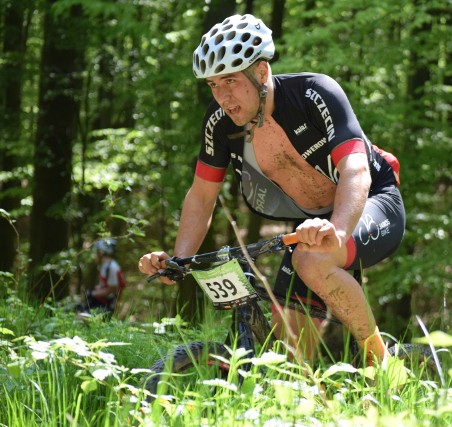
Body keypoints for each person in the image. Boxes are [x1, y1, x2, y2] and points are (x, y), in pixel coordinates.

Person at [138, 14, 405, 365]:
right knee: (288, 356)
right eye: (213, 85)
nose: (222, 96)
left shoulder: (314, 94)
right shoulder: (220, 124)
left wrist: (338, 231)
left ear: (262, 73)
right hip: (310, 224)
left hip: (370, 200)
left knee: (311, 258)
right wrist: (178, 260)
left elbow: (354, 169)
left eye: (231, 81)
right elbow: (202, 195)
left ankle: (383, 364)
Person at [80, 238, 126, 315]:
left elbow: (111, 289)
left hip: (106, 305)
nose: (96, 255)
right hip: (101, 302)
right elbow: (104, 285)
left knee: (80, 317)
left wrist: (93, 294)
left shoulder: (112, 267)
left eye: (97, 252)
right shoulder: (106, 266)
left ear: (101, 252)